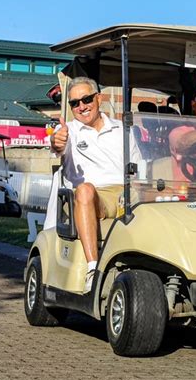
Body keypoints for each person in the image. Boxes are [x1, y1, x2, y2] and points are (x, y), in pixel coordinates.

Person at [50, 77, 141, 293]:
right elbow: (56, 144)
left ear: (98, 98)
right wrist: (57, 141)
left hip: (126, 191)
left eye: (86, 99)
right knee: (85, 189)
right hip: (93, 196)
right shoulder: (69, 131)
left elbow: (138, 168)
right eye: (74, 103)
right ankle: (93, 269)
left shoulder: (123, 129)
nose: (81, 107)